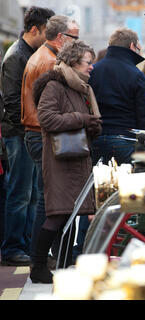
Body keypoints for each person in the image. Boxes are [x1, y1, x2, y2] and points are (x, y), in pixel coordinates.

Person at [30, 40, 101, 283]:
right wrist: (82, 119)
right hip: (60, 159)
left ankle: (62, 263)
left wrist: (92, 125)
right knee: (57, 214)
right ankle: (38, 267)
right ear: (73, 62)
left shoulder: (79, 86)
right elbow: (47, 119)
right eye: (88, 63)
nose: (92, 67)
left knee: (70, 212)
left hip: (76, 158)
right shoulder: (55, 85)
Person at [21, 15, 79, 270]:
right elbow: (50, 111)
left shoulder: (44, 57)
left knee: (48, 200)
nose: (77, 44)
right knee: (48, 202)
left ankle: (47, 257)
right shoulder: (49, 62)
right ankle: (41, 259)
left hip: (38, 133)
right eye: (74, 38)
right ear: (60, 38)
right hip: (41, 135)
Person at [0, 6, 54, 267]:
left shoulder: (30, 53)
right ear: (35, 29)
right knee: (20, 194)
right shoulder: (16, 56)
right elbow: (11, 102)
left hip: (28, 132)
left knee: (31, 194)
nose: (50, 36)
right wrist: (30, 127)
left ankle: (26, 243)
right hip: (20, 134)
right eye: (47, 31)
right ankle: (12, 248)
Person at [89, 27, 145, 166]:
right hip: (125, 139)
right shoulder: (136, 74)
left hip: (96, 139)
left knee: (99, 184)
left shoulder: (94, 70)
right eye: (138, 48)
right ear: (132, 46)